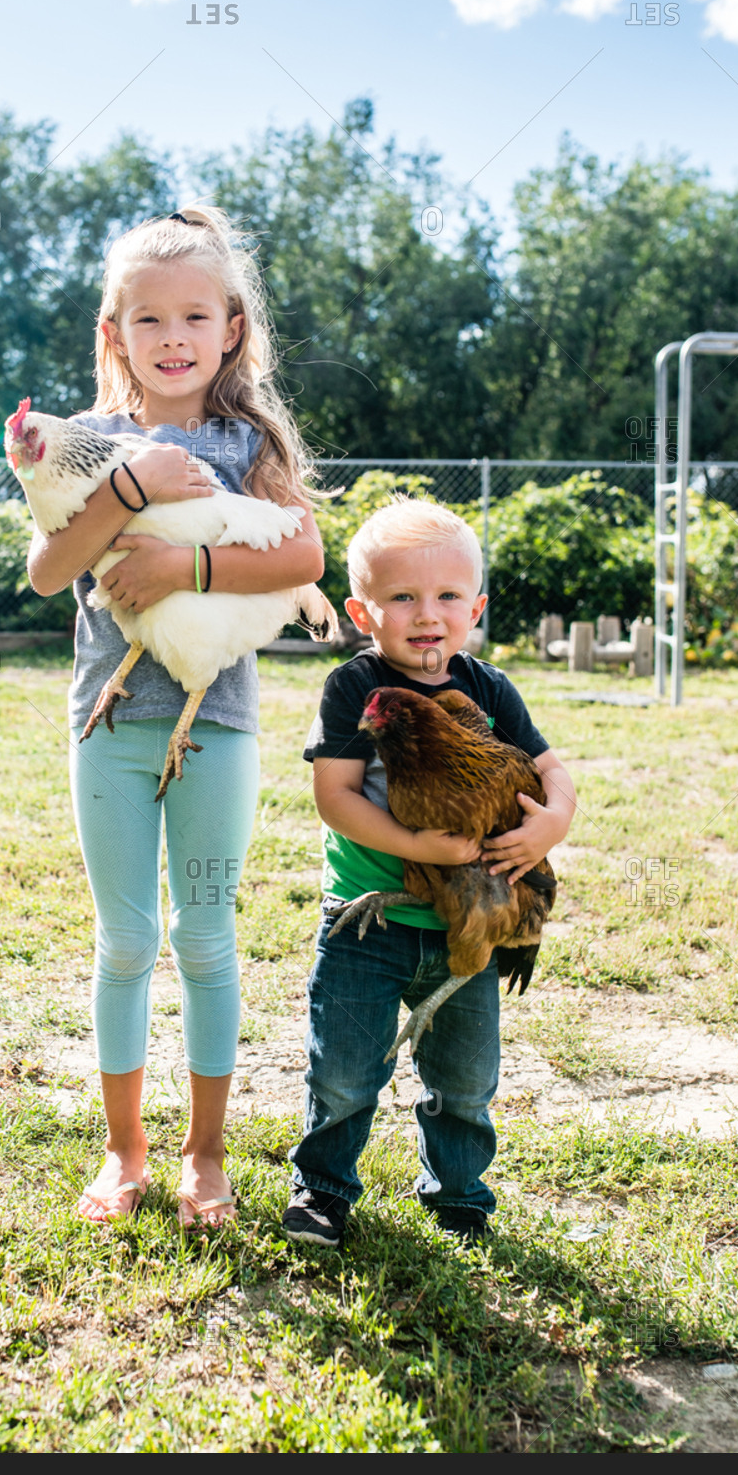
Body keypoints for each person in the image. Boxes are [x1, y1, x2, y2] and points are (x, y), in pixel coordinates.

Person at [27, 204, 325, 1228]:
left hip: (218, 726)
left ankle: (206, 1153)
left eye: (193, 316)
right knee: (123, 939)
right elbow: (46, 570)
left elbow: (303, 558)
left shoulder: (248, 443)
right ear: (113, 334)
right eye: (145, 320)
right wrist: (125, 483)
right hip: (107, 730)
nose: (172, 338)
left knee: (205, 937)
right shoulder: (87, 444)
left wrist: (183, 562)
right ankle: (124, 1149)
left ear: (230, 328)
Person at [283, 497, 576, 1248]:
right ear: (362, 612)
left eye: (447, 597)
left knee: (464, 1084)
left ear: (474, 608)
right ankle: (321, 1191)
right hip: (365, 919)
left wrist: (553, 820)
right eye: (403, 597)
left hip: (474, 915)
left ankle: (459, 1197)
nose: (427, 615)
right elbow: (334, 796)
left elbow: (548, 772)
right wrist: (421, 853)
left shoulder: (488, 691)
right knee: (343, 1073)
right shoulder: (355, 688)